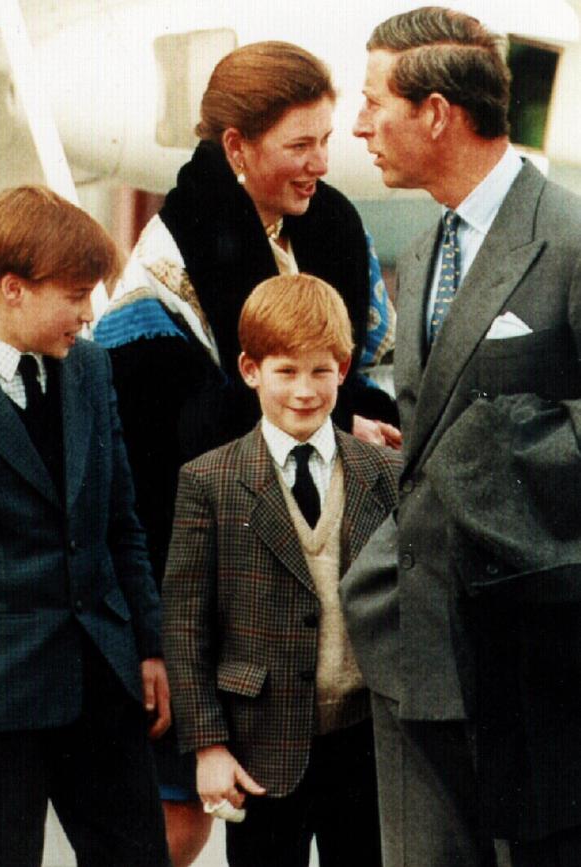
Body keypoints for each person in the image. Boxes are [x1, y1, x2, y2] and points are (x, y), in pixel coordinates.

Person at [94, 39, 399, 864]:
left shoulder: (331, 225)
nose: (320, 163)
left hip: (335, 622)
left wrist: (359, 418)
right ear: (236, 146)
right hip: (220, 582)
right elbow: (158, 452)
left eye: (326, 139)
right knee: (181, 825)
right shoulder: (165, 271)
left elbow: (353, 366)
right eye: (299, 145)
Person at [341, 6, 581, 867]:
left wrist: (484, 456)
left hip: (532, 668)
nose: (359, 125)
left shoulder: (570, 237)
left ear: (436, 112)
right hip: (413, 649)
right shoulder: (425, 246)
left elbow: (483, 439)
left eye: (374, 103)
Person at [0, 185, 172, 867]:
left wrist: (147, 647)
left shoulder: (91, 369)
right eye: (74, 294)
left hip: (102, 687)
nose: (86, 312)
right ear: (12, 289)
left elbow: (122, 521)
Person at [162, 273, 401, 867]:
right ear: (250, 370)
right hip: (259, 749)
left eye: (321, 371)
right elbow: (186, 626)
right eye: (286, 371)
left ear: (344, 371)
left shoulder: (385, 473)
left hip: (368, 742)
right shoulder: (208, 481)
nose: (304, 391)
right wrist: (208, 746)